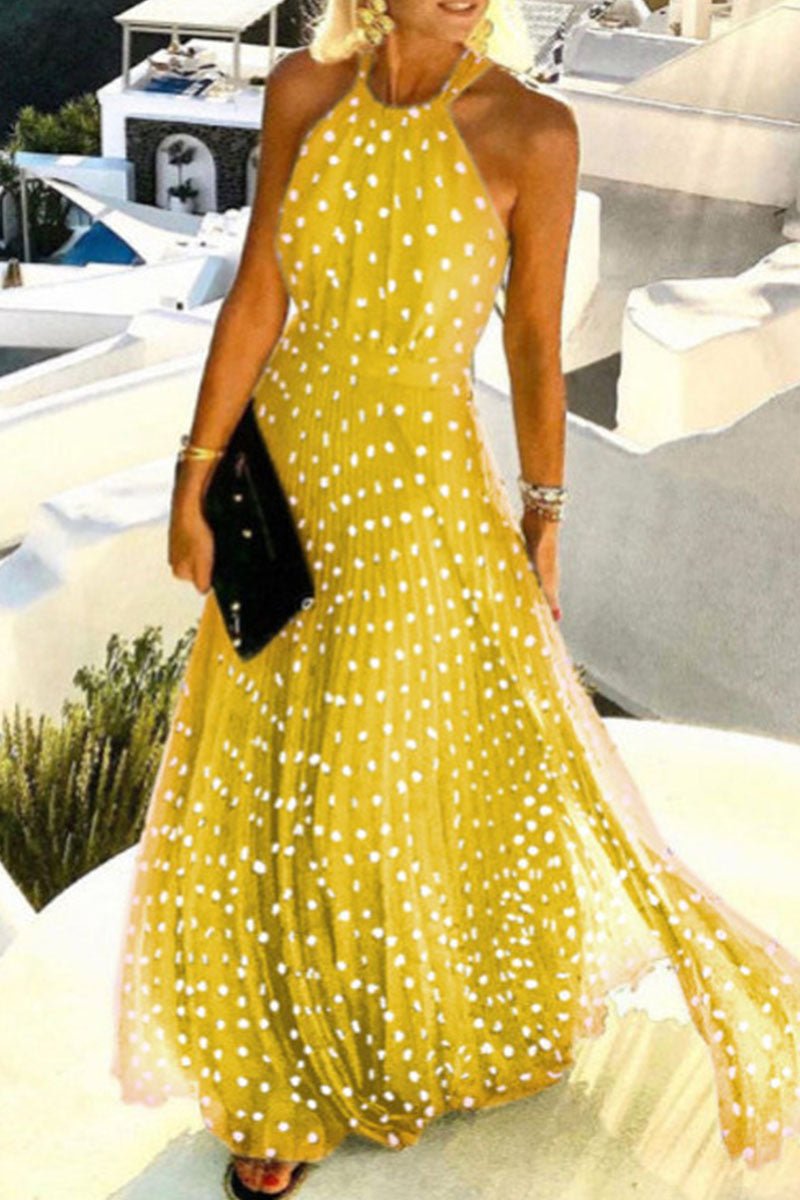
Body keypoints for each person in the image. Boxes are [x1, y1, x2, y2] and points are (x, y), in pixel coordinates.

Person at [111, 1, 800, 1197]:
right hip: (288, 481)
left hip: (417, 501)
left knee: (371, 776)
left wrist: (544, 514)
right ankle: (285, 1071)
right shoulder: (301, 93)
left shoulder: (532, 130)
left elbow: (533, 343)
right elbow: (258, 293)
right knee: (272, 776)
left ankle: (393, 1035)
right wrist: (195, 474)